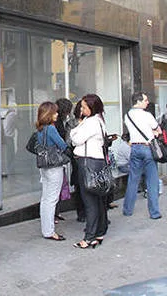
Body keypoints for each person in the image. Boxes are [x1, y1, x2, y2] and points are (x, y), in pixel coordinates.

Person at [69, 93, 108, 250]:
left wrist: (75, 129)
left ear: (92, 107)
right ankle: (99, 232)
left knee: (89, 201)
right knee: (97, 199)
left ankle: (89, 237)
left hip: (87, 163)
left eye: (84, 107)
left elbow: (75, 139)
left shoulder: (90, 122)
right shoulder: (98, 120)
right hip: (96, 162)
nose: (81, 109)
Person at [26, 101, 68, 241]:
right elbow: (62, 144)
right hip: (54, 166)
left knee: (45, 199)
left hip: (43, 166)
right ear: (49, 114)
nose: (57, 114)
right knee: (52, 199)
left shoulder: (40, 128)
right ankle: (49, 231)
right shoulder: (51, 128)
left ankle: (46, 229)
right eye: (54, 112)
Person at [122, 92, 162, 220]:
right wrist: (153, 132)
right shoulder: (147, 115)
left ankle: (127, 209)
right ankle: (154, 212)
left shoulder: (127, 115)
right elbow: (158, 130)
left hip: (134, 148)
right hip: (147, 148)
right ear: (138, 102)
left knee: (133, 179)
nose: (147, 102)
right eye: (145, 100)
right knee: (152, 180)